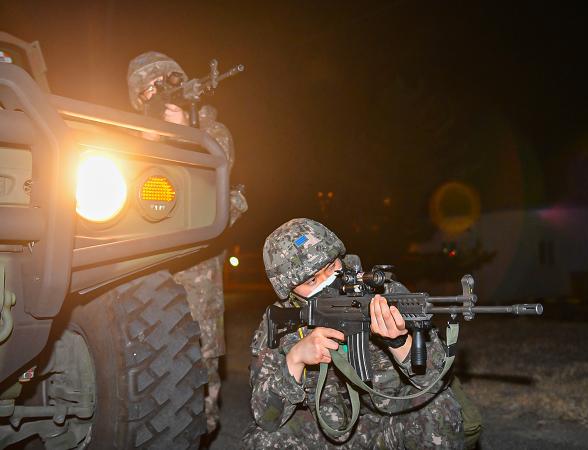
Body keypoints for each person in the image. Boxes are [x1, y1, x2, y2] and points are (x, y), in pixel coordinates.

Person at [243, 218, 468, 449]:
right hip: (326, 434)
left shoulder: (384, 294)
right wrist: (295, 360)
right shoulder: (282, 320)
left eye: (331, 267)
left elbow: (437, 379)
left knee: (438, 407)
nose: (327, 281)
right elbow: (267, 418)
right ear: (288, 289)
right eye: (312, 280)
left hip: (386, 428)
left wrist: (400, 342)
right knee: (264, 441)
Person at [127, 51, 247, 434]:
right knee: (140, 374)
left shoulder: (209, 130)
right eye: (147, 89)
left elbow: (217, 186)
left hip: (193, 275)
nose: (154, 94)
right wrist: (145, 141)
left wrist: (185, 135)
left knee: (197, 377)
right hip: (136, 273)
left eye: (161, 85)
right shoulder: (125, 132)